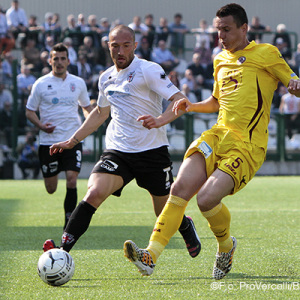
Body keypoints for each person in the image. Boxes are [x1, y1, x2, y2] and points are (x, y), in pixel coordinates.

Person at [123, 3, 300, 280]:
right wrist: (190, 106)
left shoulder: (267, 54)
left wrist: (295, 85)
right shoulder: (219, 60)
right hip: (217, 136)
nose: (222, 37)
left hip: (248, 146)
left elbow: (293, 82)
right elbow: (217, 102)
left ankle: (226, 246)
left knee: (206, 200)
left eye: (227, 30)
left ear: (244, 28)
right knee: (179, 188)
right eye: (218, 31)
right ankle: (150, 256)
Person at [44, 25, 201, 258]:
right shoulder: (105, 77)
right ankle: (61, 251)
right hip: (118, 150)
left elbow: (181, 101)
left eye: (126, 45)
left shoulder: (148, 70)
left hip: (152, 151)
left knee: (163, 211)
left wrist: (160, 120)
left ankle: (186, 226)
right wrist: (72, 140)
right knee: (94, 192)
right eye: (115, 46)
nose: (120, 51)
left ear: (135, 46)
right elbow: (99, 113)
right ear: (108, 47)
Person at [26, 43, 93, 229]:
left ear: (68, 61)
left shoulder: (78, 83)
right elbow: (29, 111)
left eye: (63, 58)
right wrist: (40, 125)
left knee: (72, 179)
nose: (59, 62)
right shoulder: (41, 84)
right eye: (56, 58)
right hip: (49, 142)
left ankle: (68, 226)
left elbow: (87, 108)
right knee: (51, 188)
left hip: (72, 140)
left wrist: (89, 121)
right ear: (50, 60)